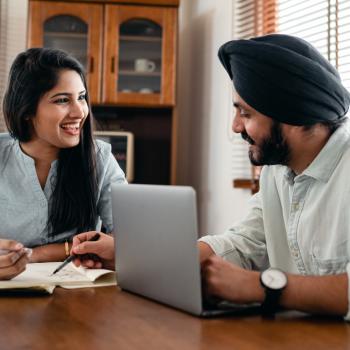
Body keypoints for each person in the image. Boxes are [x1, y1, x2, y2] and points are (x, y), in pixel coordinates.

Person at [71, 34, 350, 319]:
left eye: (246, 113)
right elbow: (242, 242)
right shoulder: (277, 172)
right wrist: (135, 257)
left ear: (293, 114)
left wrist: (263, 288)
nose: (235, 126)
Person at [0, 47, 126, 274]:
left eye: (81, 97)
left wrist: (37, 254)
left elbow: (130, 236)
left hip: (79, 293)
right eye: (62, 100)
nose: (79, 112)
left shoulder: (100, 158)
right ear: (26, 109)